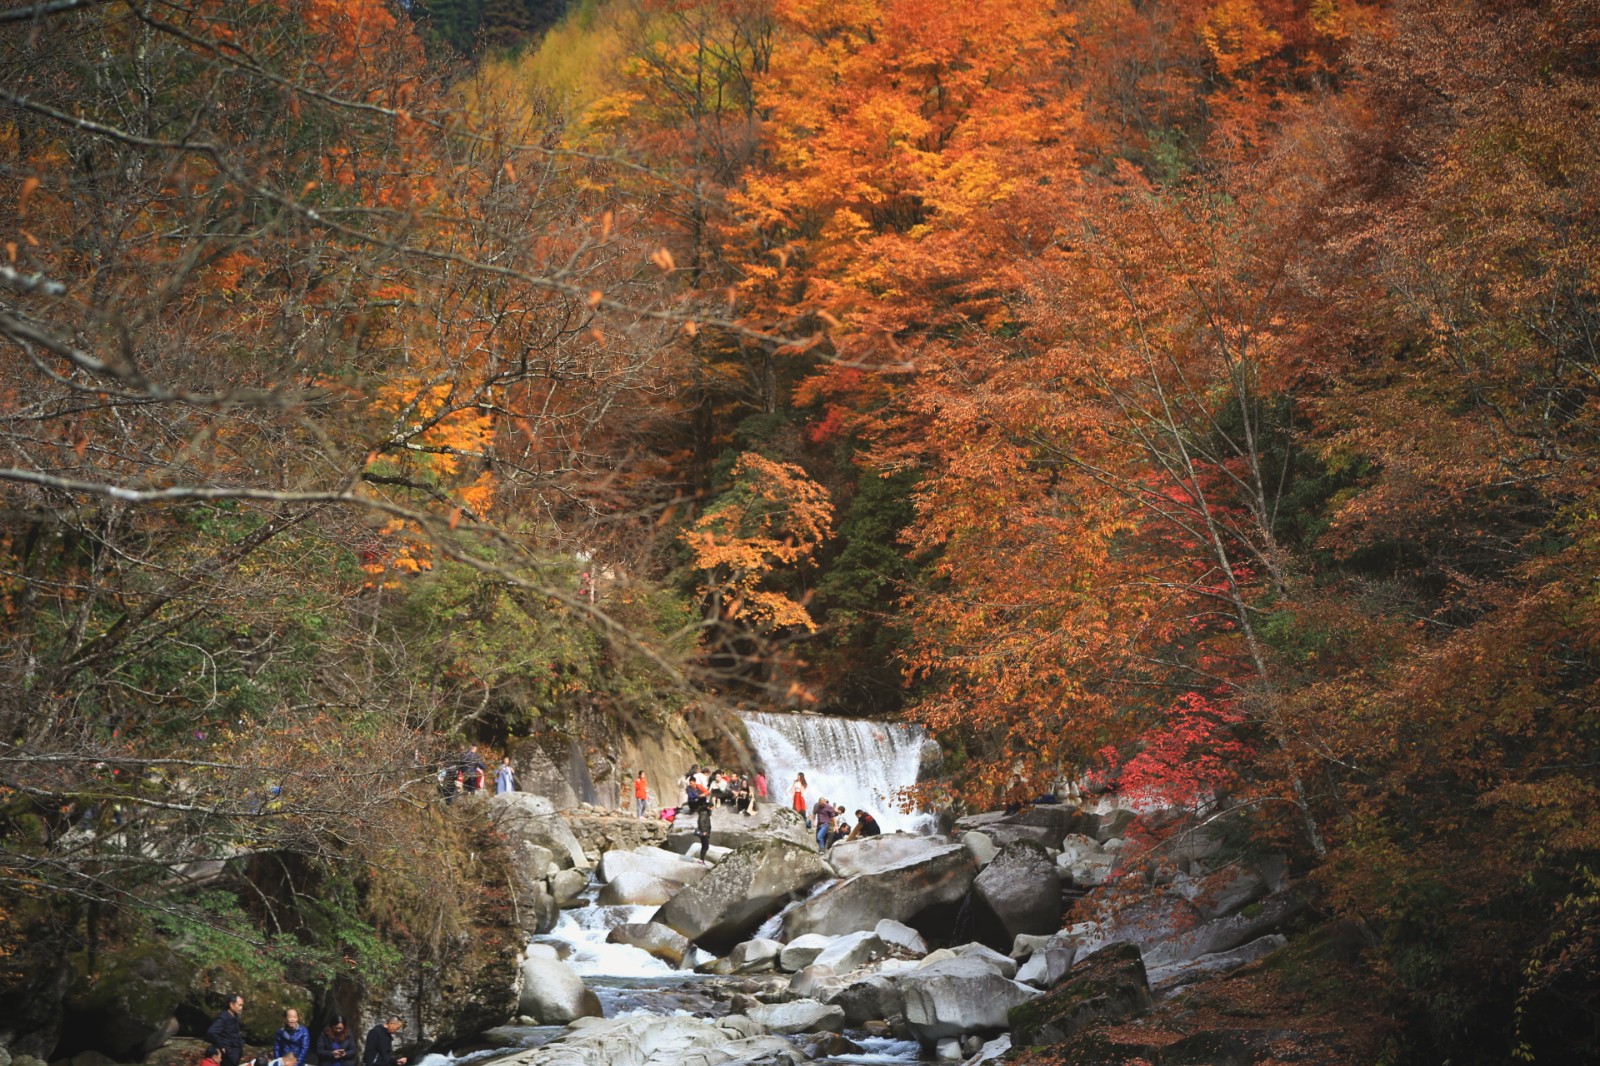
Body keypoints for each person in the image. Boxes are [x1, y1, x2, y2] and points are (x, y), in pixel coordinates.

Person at [206, 993, 245, 1066]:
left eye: (242, 1005)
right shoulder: (223, 1017)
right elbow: (211, 1032)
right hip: (228, 1055)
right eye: (239, 1005)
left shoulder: (235, 1016)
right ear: (231, 1004)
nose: (241, 1008)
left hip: (235, 1053)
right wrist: (222, 1046)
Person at [694, 791, 713, 862]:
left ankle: (702, 860)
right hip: (704, 832)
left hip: (705, 832)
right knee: (705, 846)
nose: (712, 809)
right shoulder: (704, 813)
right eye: (711, 807)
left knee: (705, 846)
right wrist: (704, 831)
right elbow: (701, 822)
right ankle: (701, 860)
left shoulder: (704, 813)